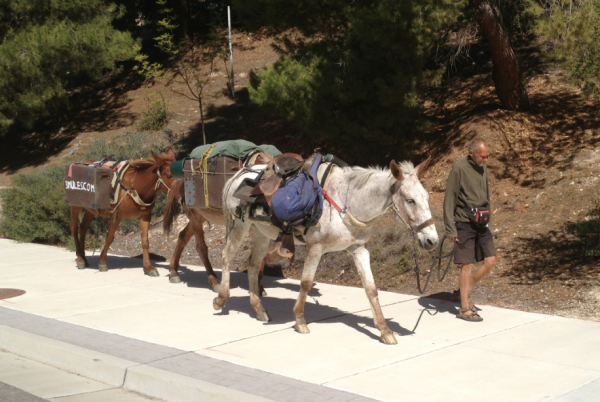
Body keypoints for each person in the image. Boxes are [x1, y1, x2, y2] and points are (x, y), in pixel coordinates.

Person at [443, 138, 497, 321]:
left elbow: (486, 194)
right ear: (471, 153)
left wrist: (488, 217)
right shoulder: (459, 168)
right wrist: (450, 228)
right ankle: (464, 307)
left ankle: (463, 292)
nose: (486, 160)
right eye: (483, 156)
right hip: (464, 221)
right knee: (467, 264)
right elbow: (450, 197)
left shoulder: (482, 167)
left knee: (490, 261)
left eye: (487, 156)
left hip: (481, 221)